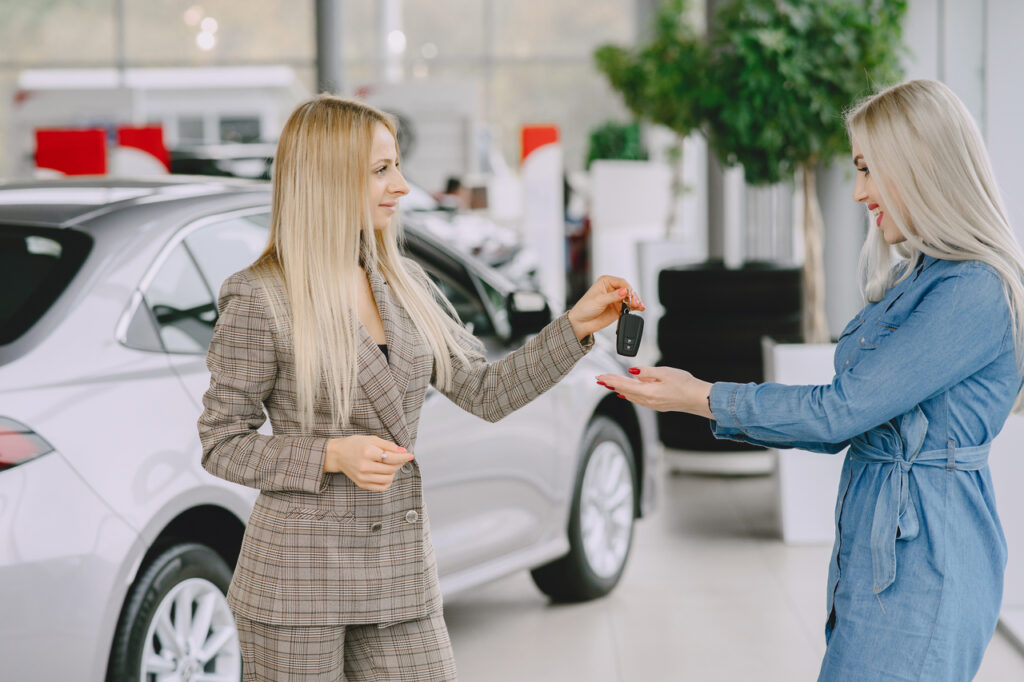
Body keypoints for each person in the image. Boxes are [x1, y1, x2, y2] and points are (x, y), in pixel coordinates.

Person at [197, 94, 644, 681]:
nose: (403, 186)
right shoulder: (260, 295)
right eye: (382, 170)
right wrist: (332, 454)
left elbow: (485, 391)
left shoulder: (403, 281)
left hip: (399, 579)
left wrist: (577, 325)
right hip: (297, 588)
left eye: (397, 166)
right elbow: (222, 442)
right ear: (329, 179)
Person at [597, 79, 1024, 681]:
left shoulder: (973, 291)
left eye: (869, 170)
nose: (858, 192)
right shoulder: (917, 279)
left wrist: (700, 396)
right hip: (881, 551)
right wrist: (699, 399)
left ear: (921, 165)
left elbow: (839, 412)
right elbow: (839, 429)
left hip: (927, 563)